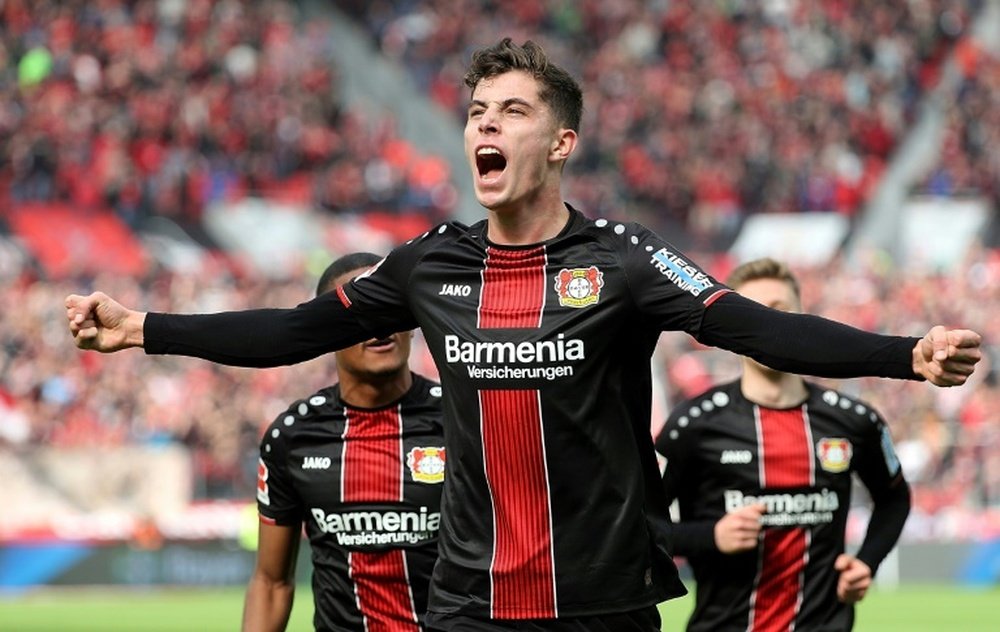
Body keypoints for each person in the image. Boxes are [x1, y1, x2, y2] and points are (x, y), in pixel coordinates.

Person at [66, 38, 981, 632]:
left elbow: (761, 327)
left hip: (605, 600)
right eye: (475, 113)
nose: (484, 126)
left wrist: (905, 354)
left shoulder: (622, 261)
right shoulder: (428, 265)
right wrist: (146, 329)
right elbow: (297, 328)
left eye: (511, 111)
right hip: (470, 602)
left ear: (561, 142)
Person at [654, 258, 912, 632]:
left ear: (801, 321)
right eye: (754, 314)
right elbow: (638, 528)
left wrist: (867, 561)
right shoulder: (694, 424)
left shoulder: (854, 420)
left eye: (780, 313)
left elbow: (894, 498)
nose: (767, 327)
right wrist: (709, 536)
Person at [242, 252, 445, 632]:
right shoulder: (293, 436)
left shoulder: (463, 419)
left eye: (391, 308)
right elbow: (271, 583)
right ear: (326, 329)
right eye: (360, 313)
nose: (381, 327)